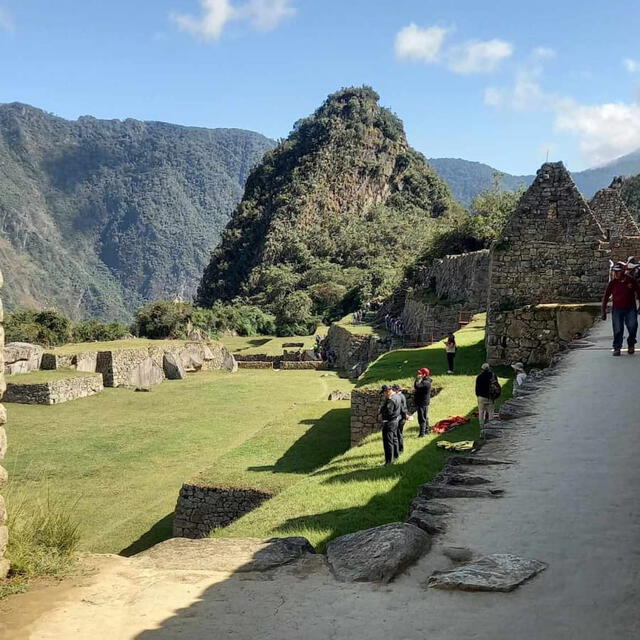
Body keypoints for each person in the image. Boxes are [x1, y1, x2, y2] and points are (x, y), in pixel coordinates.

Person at [602, 263, 640, 356]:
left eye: (618, 271)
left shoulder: (631, 281)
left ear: (623, 271)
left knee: (633, 326)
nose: (616, 273)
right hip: (617, 309)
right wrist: (603, 310)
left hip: (630, 308)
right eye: (615, 271)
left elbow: (639, 292)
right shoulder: (613, 283)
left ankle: (631, 343)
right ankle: (617, 347)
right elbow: (606, 297)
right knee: (618, 329)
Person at [379, 384, 402, 464]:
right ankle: (396, 455)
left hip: (389, 422)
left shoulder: (391, 400)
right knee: (395, 438)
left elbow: (388, 412)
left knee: (388, 442)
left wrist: (383, 408)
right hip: (396, 421)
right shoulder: (397, 396)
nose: (384, 394)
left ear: (388, 391)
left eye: (384, 393)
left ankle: (389, 461)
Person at [475, 363, 495, 430]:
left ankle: (482, 428)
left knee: (481, 412)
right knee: (491, 412)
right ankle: (491, 428)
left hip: (481, 397)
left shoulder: (479, 377)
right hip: (490, 397)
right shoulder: (493, 376)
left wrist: (478, 396)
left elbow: (477, 388)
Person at [413, 367, 432, 438]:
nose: (419, 375)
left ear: (424, 374)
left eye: (420, 374)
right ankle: (427, 430)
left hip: (422, 403)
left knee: (421, 418)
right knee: (425, 417)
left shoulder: (425, 382)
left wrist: (417, 379)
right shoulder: (426, 381)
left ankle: (422, 434)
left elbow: (416, 386)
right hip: (424, 402)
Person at [391, 384, 408, 455]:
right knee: (398, 434)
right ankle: (399, 449)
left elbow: (402, 409)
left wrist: (404, 417)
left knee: (398, 434)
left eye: (393, 389)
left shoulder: (399, 397)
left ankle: (400, 449)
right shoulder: (401, 396)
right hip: (402, 417)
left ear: (397, 390)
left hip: (400, 418)